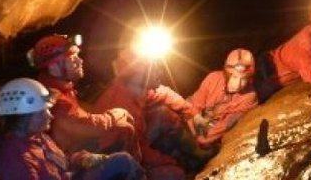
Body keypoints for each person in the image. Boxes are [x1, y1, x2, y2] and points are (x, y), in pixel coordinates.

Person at [0, 77, 143, 180]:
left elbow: (62, 161)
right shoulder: (14, 157)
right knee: (122, 164)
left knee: (122, 160)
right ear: (25, 116)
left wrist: (83, 158)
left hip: (73, 175)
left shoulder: (38, 137)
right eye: (43, 111)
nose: (50, 116)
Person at [94, 50, 200, 180]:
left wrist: (194, 114)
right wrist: (168, 161)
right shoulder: (123, 108)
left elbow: (164, 93)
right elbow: (138, 153)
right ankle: (186, 164)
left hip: (133, 146)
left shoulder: (137, 89)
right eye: (153, 68)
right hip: (114, 164)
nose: (160, 72)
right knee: (175, 174)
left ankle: (194, 157)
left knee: (163, 113)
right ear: (138, 74)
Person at [31, 34, 140, 160]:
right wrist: (114, 115)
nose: (80, 61)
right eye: (72, 58)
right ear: (54, 68)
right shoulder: (55, 99)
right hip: (68, 162)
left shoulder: (62, 90)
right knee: (123, 131)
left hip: (71, 151)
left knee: (123, 129)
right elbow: (86, 126)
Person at [187, 48, 259, 148]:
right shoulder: (213, 78)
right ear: (227, 73)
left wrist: (200, 139)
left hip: (212, 127)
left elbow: (225, 126)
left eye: (243, 80)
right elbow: (195, 105)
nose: (237, 85)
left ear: (249, 79)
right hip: (195, 119)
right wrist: (192, 127)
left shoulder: (249, 97)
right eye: (234, 77)